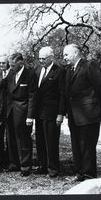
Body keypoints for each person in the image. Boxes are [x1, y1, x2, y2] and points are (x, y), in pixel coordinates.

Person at [0, 53, 37, 176]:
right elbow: (2, 83)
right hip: (10, 111)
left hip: (23, 111)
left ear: (21, 63)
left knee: (23, 139)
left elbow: (32, 96)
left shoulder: (30, 74)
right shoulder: (11, 73)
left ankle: (25, 166)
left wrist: (30, 116)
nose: (11, 67)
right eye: (10, 65)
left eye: (13, 65)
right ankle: (14, 164)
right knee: (11, 139)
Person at [63, 43, 101, 181]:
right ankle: (79, 174)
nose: (64, 58)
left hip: (89, 115)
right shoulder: (69, 70)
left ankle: (89, 176)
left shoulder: (90, 65)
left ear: (75, 53)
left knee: (88, 148)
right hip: (74, 116)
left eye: (66, 55)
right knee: (76, 146)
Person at [34, 46, 66, 177]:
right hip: (39, 113)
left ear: (51, 57)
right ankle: (42, 166)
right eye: (39, 58)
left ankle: (53, 168)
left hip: (52, 113)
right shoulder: (37, 70)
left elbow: (62, 94)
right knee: (40, 141)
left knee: (51, 142)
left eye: (43, 58)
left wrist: (61, 114)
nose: (41, 61)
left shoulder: (59, 71)